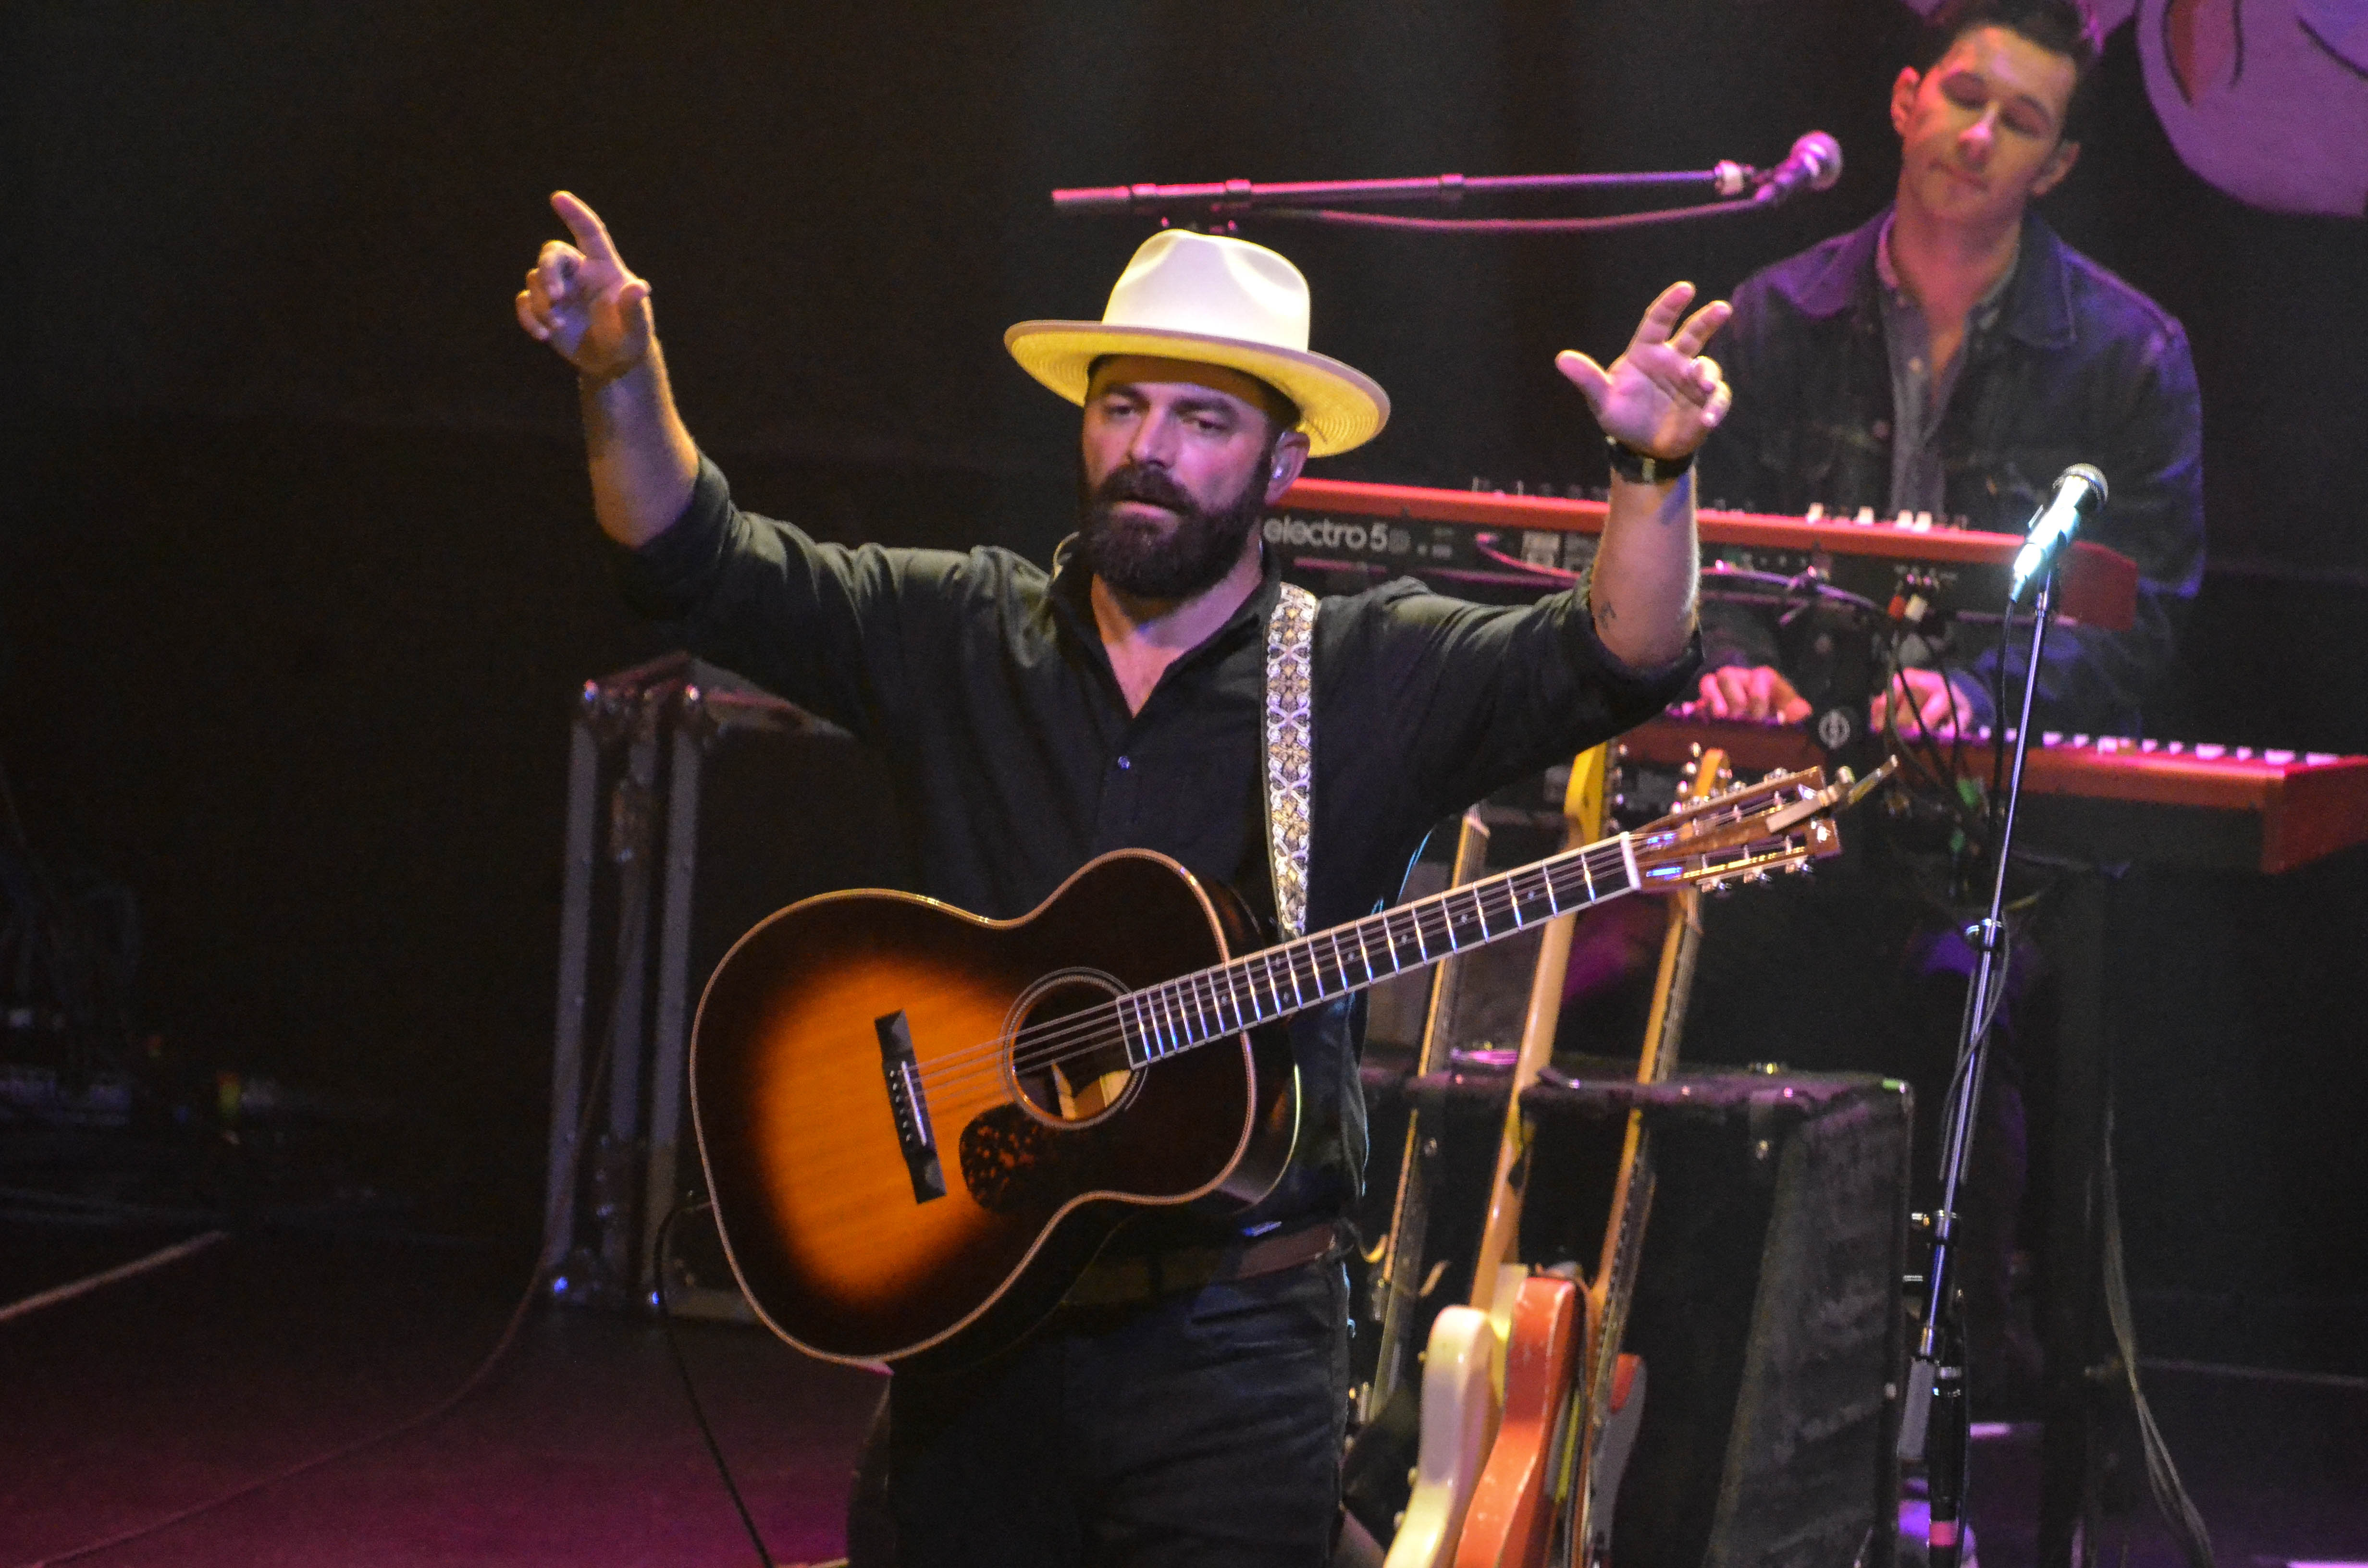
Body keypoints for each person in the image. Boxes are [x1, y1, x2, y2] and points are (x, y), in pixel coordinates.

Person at [517, 194, 1728, 1565]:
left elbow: (1621, 653)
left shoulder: (1364, 673)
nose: (1146, 451)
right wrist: (625, 378)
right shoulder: (963, 631)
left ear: (1281, 467)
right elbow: (697, 564)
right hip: (972, 1332)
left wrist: (1650, 469)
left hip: (1232, 1344)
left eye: (1202, 423)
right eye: (1121, 409)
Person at [1681, 0, 2206, 1409]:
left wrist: (1980, 692)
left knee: (1964, 1013)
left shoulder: (2130, 356)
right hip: (1775, 811)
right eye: (1964, 97)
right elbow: (1703, 546)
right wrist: (1729, 654)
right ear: (1908, 98)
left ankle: (1945, 1394)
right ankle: (1702, 1384)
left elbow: (2146, 621)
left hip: (1986, 844)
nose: (1981, 136)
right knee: (1687, 1015)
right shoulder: (1779, 312)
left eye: (2019, 120)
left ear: (2058, 164)